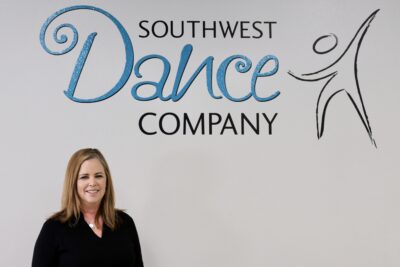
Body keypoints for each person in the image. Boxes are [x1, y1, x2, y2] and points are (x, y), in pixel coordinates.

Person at [32, 148, 144, 267]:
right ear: (73, 182)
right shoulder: (53, 229)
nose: (92, 182)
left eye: (98, 176)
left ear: (107, 180)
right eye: (84, 177)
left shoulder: (125, 222)